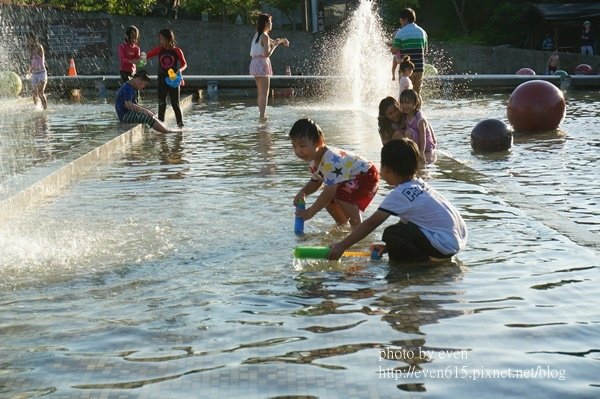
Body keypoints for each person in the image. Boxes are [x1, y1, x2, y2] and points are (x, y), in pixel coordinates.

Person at [328, 138, 467, 262]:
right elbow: (414, 223)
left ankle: (418, 266)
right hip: (454, 240)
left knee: (392, 233)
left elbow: (370, 224)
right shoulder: (419, 184)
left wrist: (341, 246)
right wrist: (388, 247)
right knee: (400, 229)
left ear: (387, 169)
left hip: (443, 244)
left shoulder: (399, 193)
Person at [290, 118, 379, 228]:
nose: (298, 151)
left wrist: (310, 212)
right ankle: (342, 225)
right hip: (352, 177)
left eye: (302, 145)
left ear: (319, 141)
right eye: (294, 146)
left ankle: (358, 229)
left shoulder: (330, 161)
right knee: (328, 199)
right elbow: (315, 182)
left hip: (366, 176)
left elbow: (329, 191)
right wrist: (303, 192)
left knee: (338, 196)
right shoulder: (314, 163)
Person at [249, 13, 289, 119]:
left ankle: (261, 113)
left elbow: (273, 41)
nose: (271, 24)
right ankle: (263, 115)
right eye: (270, 22)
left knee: (260, 92)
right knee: (264, 93)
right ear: (266, 23)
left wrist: (282, 40)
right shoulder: (265, 37)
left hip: (255, 63)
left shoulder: (258, 35)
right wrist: (275, 47)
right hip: (262, 63)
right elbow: (267, 54)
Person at [146, 28, 187, 128]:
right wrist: (137, 58)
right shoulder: (159, 49)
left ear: (169, 39)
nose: (161, 41)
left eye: (163, 39)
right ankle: (161, 125)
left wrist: (180, 70)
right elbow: (147, 55)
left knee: (175, 104)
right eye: (160, 39)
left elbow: (184, 64)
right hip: (161, 79)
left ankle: (180, 126)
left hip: (173, 79)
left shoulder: (177, 51)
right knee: (162, 103)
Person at [391, 8, 428, 95]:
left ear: (405, 19)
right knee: (417, 94)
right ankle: (418, 108)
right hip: (419, 68)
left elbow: (394, 51)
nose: (400, 22)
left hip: (406, 69)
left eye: (401, 20)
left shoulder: (401, 33)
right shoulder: (422, 32)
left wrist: (391, 46)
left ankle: (405, 109)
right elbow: (425, 51)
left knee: (405, 94)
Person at [399, 89, 436, 164]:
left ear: (415, 103)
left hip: (426, 146)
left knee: (408, 132)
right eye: (402, 103)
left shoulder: (419, 118)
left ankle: (413, 151)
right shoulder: (405, 116)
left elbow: (423, 135)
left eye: (408, 103)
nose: (405, 106)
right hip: (417, 142)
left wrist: (422, 152)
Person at [26, 32, 47, 110]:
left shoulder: (39, 47)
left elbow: (39, 59)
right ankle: (37, 108)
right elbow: (32, 63)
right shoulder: (30, 50)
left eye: (29, 39)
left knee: (40, 92)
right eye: (27, 40)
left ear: (34, 39)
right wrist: (29, 70)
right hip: (34, 74)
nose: (28, 41)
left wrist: (33, 46)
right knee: (34, 94)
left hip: (41, 72)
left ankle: (45, 109)